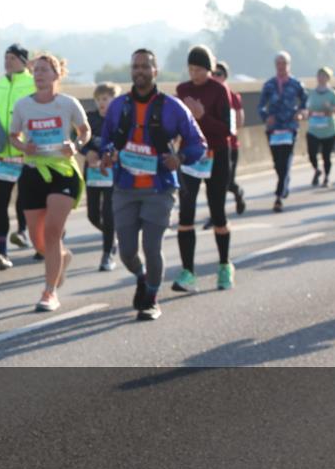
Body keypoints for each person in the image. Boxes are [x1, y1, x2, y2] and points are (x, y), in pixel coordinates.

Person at [97, 49, 206, 320]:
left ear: (155, 71)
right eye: (136, 67)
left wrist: (180, 158)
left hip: (159, 189)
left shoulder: (173, 107)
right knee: (127, 252)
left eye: (145, 66)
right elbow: (106, 140)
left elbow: (198, 143)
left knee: (151, 247)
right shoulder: (118, 106)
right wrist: (107, 154)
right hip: (124, 187)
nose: (140, 71)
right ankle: (142, 276)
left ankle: (151, 299)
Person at [9, 53, 90, 312]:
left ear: (57, 74)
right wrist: (24, 146)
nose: (39, 75)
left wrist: (75, 146)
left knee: (53, 232)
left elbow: (85, 131)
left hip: (62, 172)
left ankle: (49, 292)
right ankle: (62, 258)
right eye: (36, 71)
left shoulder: (68, 103)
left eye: (45, 70)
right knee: (38, 241)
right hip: (33, 172)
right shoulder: (23, 106)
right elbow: (13, 135)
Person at [173, 45, 236, 292]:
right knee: (186, 212)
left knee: (217, 211)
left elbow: (228, 129)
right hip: (191, 155)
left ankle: (225, 265)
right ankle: (188, 272)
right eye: (191, 69)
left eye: (199, 69)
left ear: (209, 69)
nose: (194, 74)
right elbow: (177, 123)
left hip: (217, 154)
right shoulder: (183, 90)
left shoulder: (220, 90)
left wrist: (201, 116)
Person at [0, 44, 36, 270]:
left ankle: (31, 237)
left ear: (24, 61)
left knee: (28, 201)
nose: (8, 62)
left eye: (13, 58)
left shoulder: (33, 83)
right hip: (2, 154)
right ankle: (2, 251)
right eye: (6, 57)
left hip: (26, 154)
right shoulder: (0, 83)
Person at [258, 50, 308, 212]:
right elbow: (260, 106)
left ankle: (279, 196)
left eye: (284, 63)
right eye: (278, 63)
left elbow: (305, 102)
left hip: (289, 127)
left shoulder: (296, 84)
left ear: (289, 65)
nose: (281, 66)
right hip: (273, 130)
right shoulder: (269, 85)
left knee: (285, 161)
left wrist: (300, 113)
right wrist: (266, 117)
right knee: (277, 163)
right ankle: (284, 182)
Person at [80, 82, 120, 271]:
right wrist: (86, 152)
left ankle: (107, 254)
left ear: (114, 100)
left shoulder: (119, 119)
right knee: (93, 215)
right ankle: (112, 236)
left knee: (109, 213)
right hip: (93, 173)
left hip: (112, 173)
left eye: (105, 99)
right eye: (98, 100)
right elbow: (79, 140)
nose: (101, 103)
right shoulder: (90, 119)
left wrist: (112, 154)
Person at [214, 61, 247, 215]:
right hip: (211, 147)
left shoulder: (232, 96)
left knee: (227, 182)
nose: (215, 77)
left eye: (218, 74)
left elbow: (238, 123)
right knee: (214, 183)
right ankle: (215, 215)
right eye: (212, 74)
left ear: (225, 76)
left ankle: (238, 192)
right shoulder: (207, 95)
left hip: (229, 146)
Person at [305, 66, 335, 188]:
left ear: (328, 78)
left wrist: (330, 108)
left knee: (326, 155)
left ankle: (327, 177)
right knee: (312, 153)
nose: (321, 78)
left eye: (324, 76)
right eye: (319, 75)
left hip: (329, 130)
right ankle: (317, 169)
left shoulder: (333, 94)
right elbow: (307, 109)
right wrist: (307, 113)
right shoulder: (311, 93)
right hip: (313, 129)